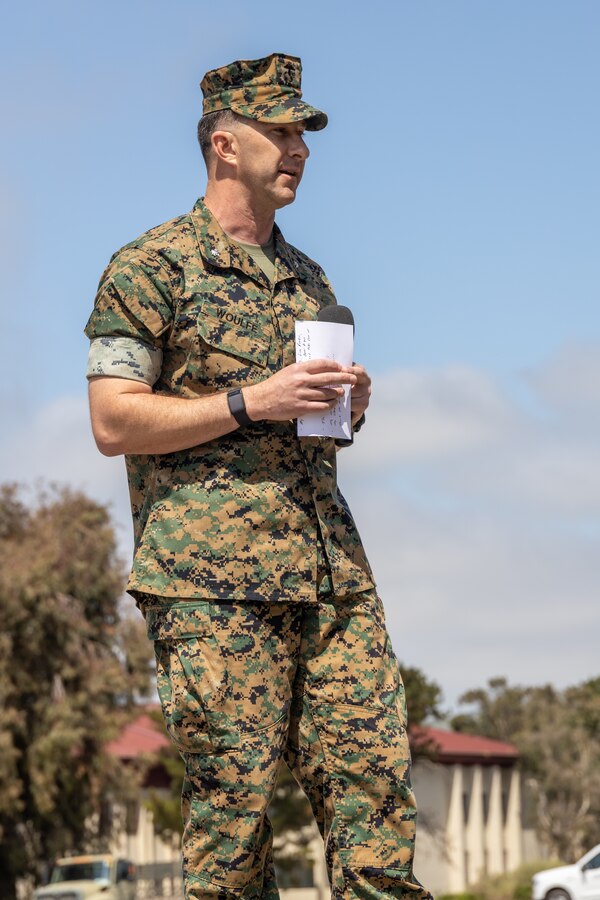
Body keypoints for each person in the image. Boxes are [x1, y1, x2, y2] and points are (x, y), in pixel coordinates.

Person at [85, 52, 431, 900]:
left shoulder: (309, 281)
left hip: (330, 572)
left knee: (375, 800)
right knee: (232, 831)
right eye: (280, 131)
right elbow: (112, 419)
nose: (299, 149)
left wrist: (346, 405)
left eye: (304, 133)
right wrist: (252, 399)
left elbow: (312, 429)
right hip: (212, 586)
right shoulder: (150, 268)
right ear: (223, 146)